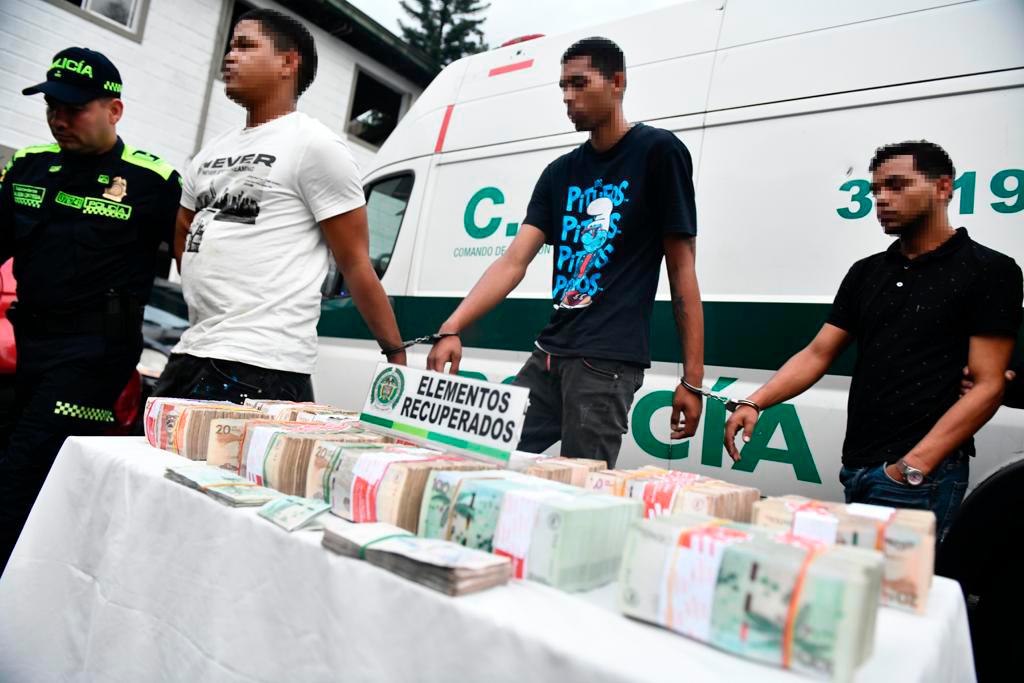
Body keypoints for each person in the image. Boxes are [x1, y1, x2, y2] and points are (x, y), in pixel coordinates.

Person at [724, 140, 1022, 542]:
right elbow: (818, 353)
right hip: (859, 468)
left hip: (920, 477)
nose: (882, 199)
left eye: (897, 186)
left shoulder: (989, 270)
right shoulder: (866, 272)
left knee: (898, 598)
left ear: (944, 188)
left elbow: (988, 385)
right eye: (876, 189)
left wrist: (913, 467)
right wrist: (754, 400)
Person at [428, 37, 704, 467]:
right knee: (484, 459)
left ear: (617, 82)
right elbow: (512, 261)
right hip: (550, 354)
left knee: (579, 488)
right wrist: (452, 327)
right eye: (562, 87)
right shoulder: (560, 173)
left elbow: (682, 269)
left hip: (606, 363)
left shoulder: (658, 152)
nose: (568, 98)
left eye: (579, 83)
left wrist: (693, 379)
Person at [155, 8, 405, 404]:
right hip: (193, 349)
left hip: (263, 364)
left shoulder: (314, 146)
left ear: (289, 62)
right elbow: (184, 229)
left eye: (246, 45)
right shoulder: (210, 153)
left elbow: (355, 262)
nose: (229, 56)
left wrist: (394, 350)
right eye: (230, 46)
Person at [0, 47, 182, 571]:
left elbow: (201, 265)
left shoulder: (153, 182)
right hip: (25, 349)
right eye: (52, 105)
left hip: (94, 358)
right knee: (27, 476)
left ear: (114, 110)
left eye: (75, 107)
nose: (60, 117)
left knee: (21, 475)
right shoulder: (28, 166)